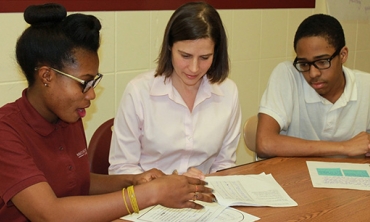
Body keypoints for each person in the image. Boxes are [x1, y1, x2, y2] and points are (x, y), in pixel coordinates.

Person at [0, 3, 214, 222]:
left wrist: (133, 181)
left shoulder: (68, 116)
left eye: (94, 82)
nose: (91, 94)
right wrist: (150, 194)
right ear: (46, 76)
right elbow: (50, 214)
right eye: (84, 83)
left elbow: (78, 182)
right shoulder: (6, 131)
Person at [109, 2, 241, 179]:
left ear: (216, 53)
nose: (194, 68)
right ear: (170, 46)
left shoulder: (228, 92)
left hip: (204, 198)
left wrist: (207, 182)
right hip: (150, 200)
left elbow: (224, 165)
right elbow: (121, 169)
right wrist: (167, 186)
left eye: (204, 57)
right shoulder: (139, 92)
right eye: (185, 56)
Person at [256, 14, 370, 158]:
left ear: (343, 55)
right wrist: (344, 147)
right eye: (304, 64)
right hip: (295, 176)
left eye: (322, 62)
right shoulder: (288, 75)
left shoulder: (366, 86)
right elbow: (265, 144)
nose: (313, 73)